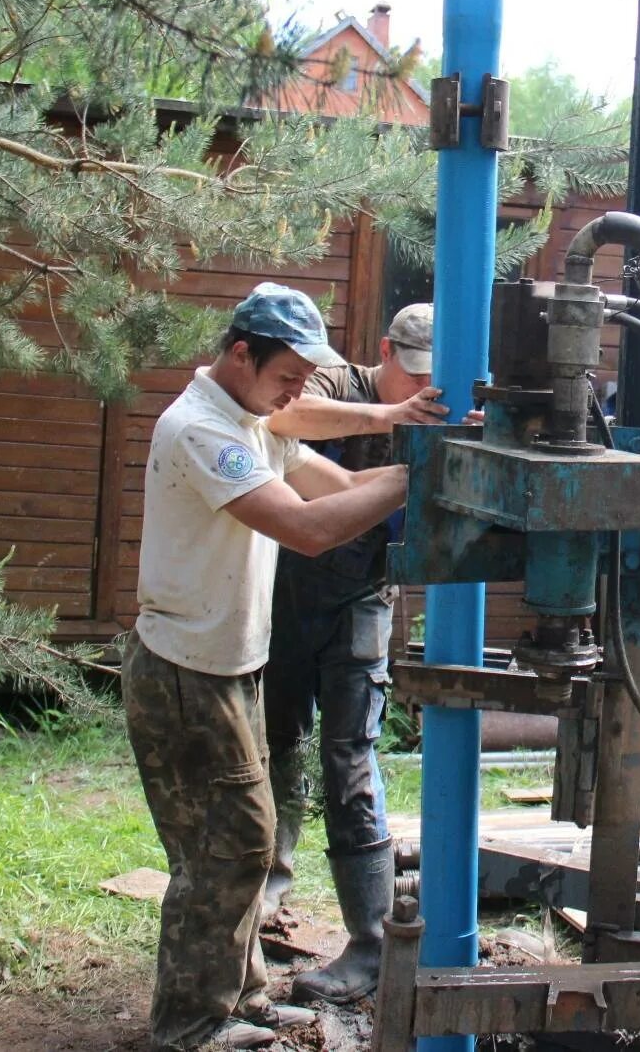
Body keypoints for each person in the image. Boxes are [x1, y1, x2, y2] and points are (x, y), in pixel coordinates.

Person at [124, 282, 410, 1052]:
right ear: (241, 354)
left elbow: (346, 485)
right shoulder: (200, 431)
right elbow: (310, 528)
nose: (296, 392)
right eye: (288, 375)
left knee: (237, 845)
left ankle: (239, 994)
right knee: (230, 846)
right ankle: (188, 1023)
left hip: (230, 664)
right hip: (187, 672)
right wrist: (416, 477)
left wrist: (417, 462)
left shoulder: (251, 422)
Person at [258, 303, 446, 1005]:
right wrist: (384, 420)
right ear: (383, 350)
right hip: (285, 587)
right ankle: (267, 894)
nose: (416, 386)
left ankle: (370, 941)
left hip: (363, 593)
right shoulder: (337, 380)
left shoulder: (436, 404)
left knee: (349, 754)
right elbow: (284, 417)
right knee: (276, 740)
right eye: (410, 371)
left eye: (429, 376)